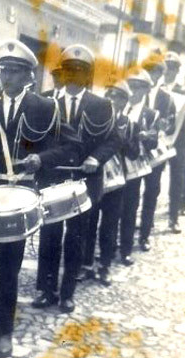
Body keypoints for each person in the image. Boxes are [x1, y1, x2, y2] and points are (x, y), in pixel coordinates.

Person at [0, 40, 80, 356]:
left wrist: (43, 159)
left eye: (14, 72)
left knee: (9, 266)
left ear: (28, 77)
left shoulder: (45, 107)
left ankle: (4, 332)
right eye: (3, 71)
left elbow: (72, 146)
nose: (6, 77)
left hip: (21, 195)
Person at [32, 44, 119, 313]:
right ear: (62, 72)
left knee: (76, 238)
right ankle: (46, 290)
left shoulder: (102, 105)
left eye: (79, 71)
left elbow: (115, 139)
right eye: (68, 69)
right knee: (49, 235)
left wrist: (96, 158)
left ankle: (68, 292)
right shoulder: (46, 102)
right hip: (52, 180)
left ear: (87, 76)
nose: (73, 75)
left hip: (85, 181)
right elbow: (34, 139)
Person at [82, 80, 136, 286]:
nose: (113, 100)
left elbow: (133, 154)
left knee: (110, 225)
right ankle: (86, 265)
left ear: (125, 101)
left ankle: (105, 266)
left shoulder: (129, 123)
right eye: (110, 95)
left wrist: (128, 138)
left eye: (119, 97)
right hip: (95, 177)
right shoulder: (97, 119)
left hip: (116, 182)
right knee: (89, 222)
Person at [119, 69, 159, 266]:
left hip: (134, 166)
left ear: (145, 90)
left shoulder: (150, 114)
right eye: (130, 85)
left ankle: (126, 248)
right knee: (112, 209)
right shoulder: (118, 106)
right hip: (115, 165)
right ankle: (107, 248)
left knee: (130, 207)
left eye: (137, 86)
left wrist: (146, 137)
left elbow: (154, 141)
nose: (132, 90)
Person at [140, 54, 176, 247]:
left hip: (155, 153)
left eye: (157, 73)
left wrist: (164, 126)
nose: (153, 77)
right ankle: (124, 234)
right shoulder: (136, 92)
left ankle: (144, 234)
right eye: (150, 72)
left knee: (152, 192)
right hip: (136, 151)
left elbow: (171, 124)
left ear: (161, 75)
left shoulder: (167, 98)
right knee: (130, 194)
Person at [164, 52, 185, 234]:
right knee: (152, 180)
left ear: (177, 71)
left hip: (179, 141)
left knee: (177, 180)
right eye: (167, 68)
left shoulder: (182, 90)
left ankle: (173, 218)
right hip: (160, 140)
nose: (169, 71)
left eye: (172, 68)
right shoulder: (157, 89)